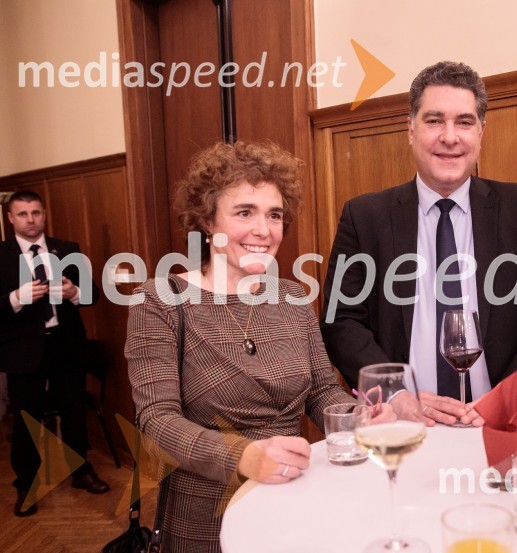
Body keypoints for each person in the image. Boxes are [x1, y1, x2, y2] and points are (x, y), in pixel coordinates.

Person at [125, 141, 355, 552]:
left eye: (274, 215)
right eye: (244, 212)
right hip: (206, 515)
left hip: (295, 499)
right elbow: (155, 423)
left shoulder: (292, 297)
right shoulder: (159, 299)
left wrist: (361, 419)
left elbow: (323, 391)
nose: (263, 231)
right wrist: (243, 457)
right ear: (208, 222)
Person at [321, 61, 517, 425]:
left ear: (481, 131)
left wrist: (510, 396)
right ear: (410, 129)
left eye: (464, 121)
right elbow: (342, 319)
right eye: (434, 121)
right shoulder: (364, 217)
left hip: (502, 423)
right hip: (404, 425)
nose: (449, 136)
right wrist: (396, 396)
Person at [0, 190, 108, 517]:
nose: (31, 220)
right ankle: (27, 484)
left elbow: (93, 296)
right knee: (26, 421)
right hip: (23, 352)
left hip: (66, 345)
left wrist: (76, 292)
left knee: (74, 411)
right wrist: (17, 297)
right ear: (10, 218)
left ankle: (81, 471)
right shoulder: (0, 255)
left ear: (44, 214)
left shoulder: (67, 249)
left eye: (36, 213)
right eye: (23, 214)